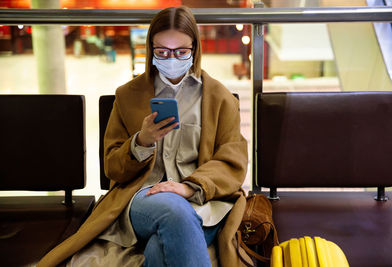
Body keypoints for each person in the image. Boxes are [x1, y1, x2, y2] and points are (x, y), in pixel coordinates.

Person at [38, 6, 248, 267]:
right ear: (151, 49)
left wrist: (188, 187)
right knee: (173, 209)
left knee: (160, 250)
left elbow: (233, 160)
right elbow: (112, 166)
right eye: (162, 51)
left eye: (181, 51)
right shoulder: (128, 96)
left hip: (201, 201)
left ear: (195, 49)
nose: (171, 58)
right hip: (142, 198)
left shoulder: (219, 98)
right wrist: (141, 143)